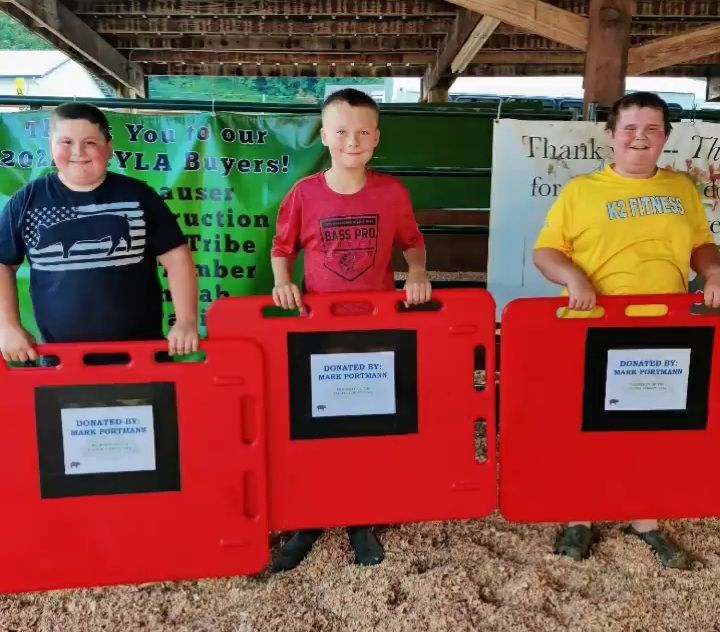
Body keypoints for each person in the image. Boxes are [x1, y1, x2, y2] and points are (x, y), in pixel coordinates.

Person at [533, 92, 720, 569]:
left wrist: (714, 273)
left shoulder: (681, 189)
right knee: (588, 425)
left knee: (653, 426)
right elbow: (547, 252)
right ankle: (581, 516)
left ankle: (645, 519)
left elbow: (701, 244)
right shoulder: (581, 190)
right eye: (631, 127)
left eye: (653, 129)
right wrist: (573, 277)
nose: (641, 137)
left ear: (665, 138)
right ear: (611, 135)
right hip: (594, 328)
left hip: (666, 327)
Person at [269, 88, 432, 571]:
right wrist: (282, 285)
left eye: (363, 131)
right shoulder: (304, 193)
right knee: (314, 427)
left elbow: (412, 243)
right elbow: (282, 248)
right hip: (317, 331)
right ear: (325, 137)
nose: (352, 140)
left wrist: (418, 273)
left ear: (376, 138)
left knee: (367, 426)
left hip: (377, 333)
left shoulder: (391, 192)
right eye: (341, 131)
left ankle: (361, 519)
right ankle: (308, 520)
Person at [0, 102, 198, 365]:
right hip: (62, 361)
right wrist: (7, 327)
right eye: (66, 142)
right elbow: (3, 263)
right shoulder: (27, 200)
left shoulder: (139, 196)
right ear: (51, 146)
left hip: (142, 358)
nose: (78, 152)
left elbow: (177, 258)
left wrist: (186, 321)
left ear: (109, 147)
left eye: (90, 142)